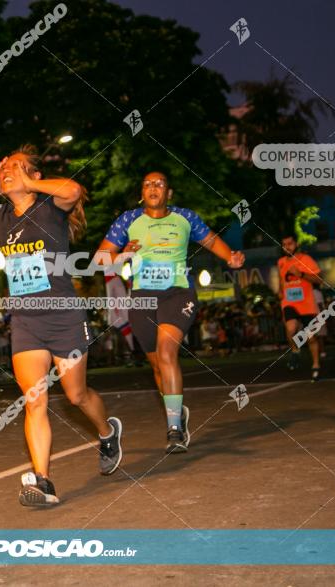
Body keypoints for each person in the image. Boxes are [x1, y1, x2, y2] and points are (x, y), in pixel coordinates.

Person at [0, 145, 122, 507]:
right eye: (5, 167)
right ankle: (42, 481)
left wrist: (29, 182)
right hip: (26, 321)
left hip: (63, 316)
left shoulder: (50, 207)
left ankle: (107, 433)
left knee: (76, 396)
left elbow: (73, 191)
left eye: (18, 167)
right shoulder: (0, 216)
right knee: (34, 401)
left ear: (35, 177)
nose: (9, 171)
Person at [97, 171, 244, 453]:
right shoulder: (128, 220)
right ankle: (177, 413)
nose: (154, 188)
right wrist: (124, 253)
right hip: (142, 298)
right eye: (148, 184)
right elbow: (100, 260)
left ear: (169, 193)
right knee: (156, 365)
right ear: (143, 191)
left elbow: (211, 240)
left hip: (178, 294)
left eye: (160, 184)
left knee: (167, 353)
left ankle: (174, 429)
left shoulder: (185, 218)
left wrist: (230, 257)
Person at [277, 234, 324, 381]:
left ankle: (316, 365)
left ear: (296, 244)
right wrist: (280, 291)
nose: (287, 247)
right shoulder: (281, 262)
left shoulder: (306, 260)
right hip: (289, 302)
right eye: (284, 244)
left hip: (306, 304)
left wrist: (301, 274)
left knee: (311, 338)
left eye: (289, 244)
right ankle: (295, 351)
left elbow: (318, 280)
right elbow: (281, 280)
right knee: (290, 329)